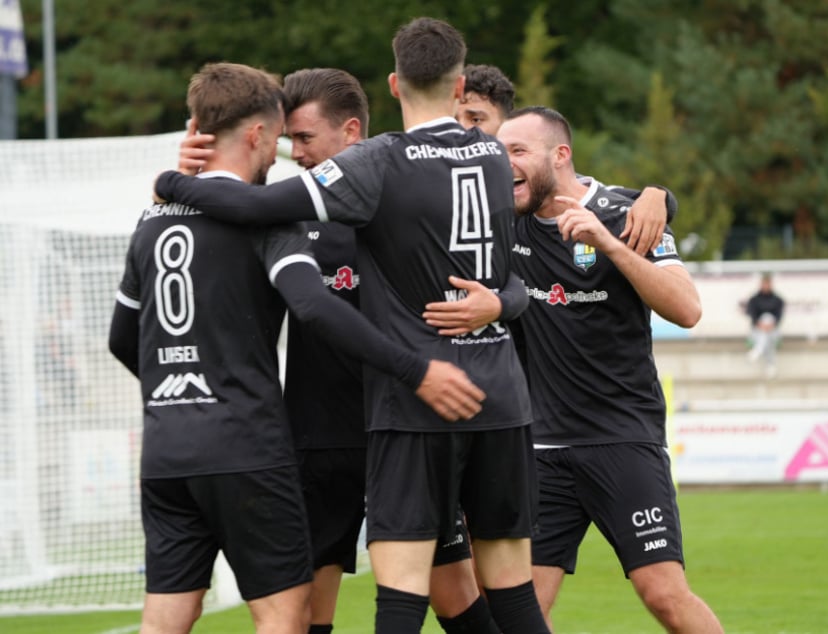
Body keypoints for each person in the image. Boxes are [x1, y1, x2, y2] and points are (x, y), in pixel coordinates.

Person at [153, 18, 550, 634]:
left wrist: (170, 184)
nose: (297, 152)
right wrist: (505, 303)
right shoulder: (492, 158)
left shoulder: (376, 167)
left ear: (391, 87)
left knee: (411, 595)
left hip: (413, 408)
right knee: (505, 593)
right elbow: (511, 264)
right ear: (460, 82)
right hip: (429, 408)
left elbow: (260, 213)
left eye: (305, 137)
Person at [426, 106, 724, 633]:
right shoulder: (504, 224)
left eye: (517, 151)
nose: (504, 163)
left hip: (621, 439)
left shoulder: (623, 213)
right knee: (520, 609)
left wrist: (611, 242)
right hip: (540, 451)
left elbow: (687, 309)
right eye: (500, 152)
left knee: (664, 596)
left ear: (559, 155)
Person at [456, 63, 671, 257]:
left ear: (507, 125)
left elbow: (604, 199)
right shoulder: (436, 178)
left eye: (476, 119)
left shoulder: (527, 187)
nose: (462, 130)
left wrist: (658, 195)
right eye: (453, 119)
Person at [745, 272, 785, 377]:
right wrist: (761, 325)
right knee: (767, 336)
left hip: (773, 330)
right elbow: (753, 317)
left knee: (768, 320)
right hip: (757, 332)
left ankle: (758, 350)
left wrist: (769, 325)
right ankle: (771, 365)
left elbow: (778, 318)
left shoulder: (778, 300)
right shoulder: (754, 300)